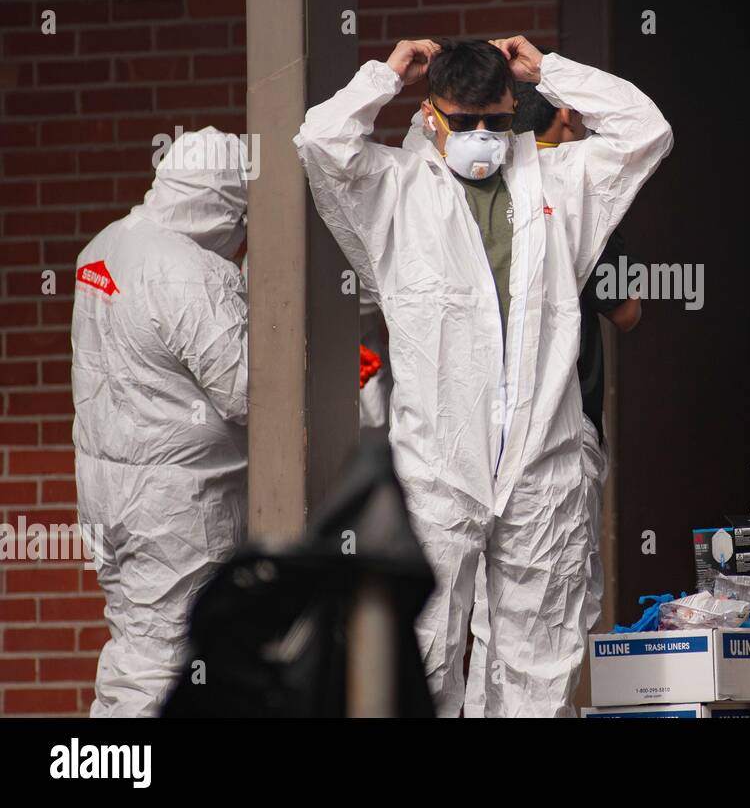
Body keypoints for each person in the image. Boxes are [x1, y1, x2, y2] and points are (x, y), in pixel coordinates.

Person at [295, 35, 672, 717]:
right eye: (462, 120)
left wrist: (550, 70)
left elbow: (646, 130)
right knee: (422, 654)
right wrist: (387, 75)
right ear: (432, 115)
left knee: (540, 667)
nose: (480, 136)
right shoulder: (396, 191)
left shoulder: (559, 184)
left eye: (495, 120)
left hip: (543, 462)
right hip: (435, 463)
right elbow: (322, 141)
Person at [462, 76, 643, 717]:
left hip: (471, 438)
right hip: (559, 433)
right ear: (565, 116)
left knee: (489, 624)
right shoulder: (572, 192)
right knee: (550, 615)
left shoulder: (466, 194)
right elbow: (627, 311)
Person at [72, 127, 250, 717]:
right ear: (223, 205)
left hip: (106, 491)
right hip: (175, 507)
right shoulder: (190, 271)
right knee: (163, 662)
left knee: (133, 646)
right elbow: (247, 392)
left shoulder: (102, 247)